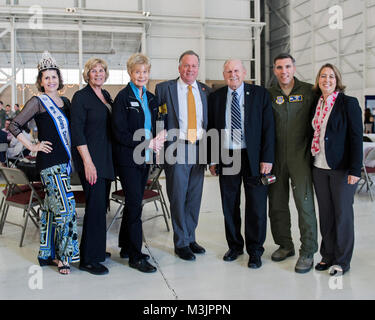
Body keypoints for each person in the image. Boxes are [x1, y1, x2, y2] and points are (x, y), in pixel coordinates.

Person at [9, 51, 80, 275]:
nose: (51, 80)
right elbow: (14, 126)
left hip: (64, 161)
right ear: (40, 81)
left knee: (51, 209)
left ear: (59, 78)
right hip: (49, 163)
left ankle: (46, 254)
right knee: (67, 210)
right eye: (46, 77)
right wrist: (32, 146)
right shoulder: (37, 102)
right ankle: (64, 256)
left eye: (54, 76)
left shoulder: (66, 101)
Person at [208, 59, 275, 268]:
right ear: (224, 74)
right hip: (228, 155)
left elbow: (268, 128)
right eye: (228, 71)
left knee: (256, 205)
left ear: (244, 72)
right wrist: (211, 158)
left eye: (236, 70)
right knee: (230, 203)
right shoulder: (216, 97)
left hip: (253, 157)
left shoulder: (260, 94)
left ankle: (255, 250)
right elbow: (211, 129)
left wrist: (267, 158)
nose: (232, 74)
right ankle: (235, 246)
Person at [112, 53, 166, 273]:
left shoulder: (151, 98)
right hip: (128, 160)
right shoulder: (122, 98)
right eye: (137, 71)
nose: (141, 75)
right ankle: (135, 255)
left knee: (134, 203)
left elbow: (158, 123)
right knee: (135, 205)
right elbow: (119, 133)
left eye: (145, 71)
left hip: (145, 159)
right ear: (130, 73)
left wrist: (160, 138)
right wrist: (147, 143)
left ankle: (126, 246)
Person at [155, 50, 210, 261]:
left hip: (200, 148)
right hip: (176, 147)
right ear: (179, 68)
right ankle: (181, 242)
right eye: (186, 65)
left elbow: (209, 121)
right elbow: (159, 118)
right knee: (178, 196)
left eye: (194, 66)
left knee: (194, 197)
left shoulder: (205, 90)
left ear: (198, 68)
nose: (190, 69)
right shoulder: (164, 88)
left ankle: (190, 237)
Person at [267, 53, 318, 273]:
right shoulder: (268, 94)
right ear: (274, 70)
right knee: (277, 205)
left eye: (287, 66)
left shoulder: (309, 91)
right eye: (279, 67)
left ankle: (307, 251)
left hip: (301, 157)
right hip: (276, 158)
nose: (284, 71)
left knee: (304, 205)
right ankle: (285, 245)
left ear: (294, 68)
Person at [311, 63, 362, 275]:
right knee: (326, 214)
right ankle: (327, 255)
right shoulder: (317, 103)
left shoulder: (348, 103)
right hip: (319, 166)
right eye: (323, 76)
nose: (327, 80)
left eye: (331, 76)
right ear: (318, 80)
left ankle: (341, 260)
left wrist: (355, 170)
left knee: (342, 215)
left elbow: (356, 137)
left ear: (337, 80)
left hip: (341, 168)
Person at [71, 58, 115, 275]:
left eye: (101, 70)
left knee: (101, 207)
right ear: (87, 74)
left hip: (105, 159)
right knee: (95, 208)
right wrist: (88, 163)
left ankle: (97, 250)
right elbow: (77, 132)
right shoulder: (81, 97)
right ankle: (88, 259)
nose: (98, 74)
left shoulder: (106, 96)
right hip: (91, 161)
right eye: (94, 71)